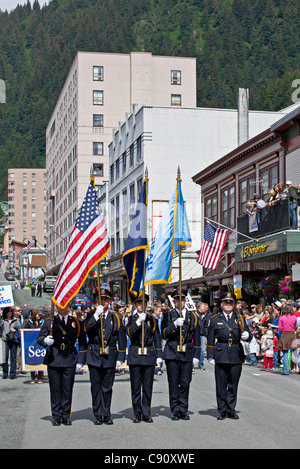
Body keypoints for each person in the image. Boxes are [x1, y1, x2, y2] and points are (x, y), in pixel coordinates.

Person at [37, 303, 87, 425]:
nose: (62, 308)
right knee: (55, 389)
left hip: (69, 357)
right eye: (60, 305)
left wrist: (81, 360)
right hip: (54, 357)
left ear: (69, 307)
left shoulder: (75, 322)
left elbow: (82, 343)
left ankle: (66, 415)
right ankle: (56, 416)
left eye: (65, 305)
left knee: (67, 389)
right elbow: (39, 338)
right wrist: (45, 341)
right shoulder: (50, 322)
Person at [84, 288, 126, 425]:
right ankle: (97, 414)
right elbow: (86, 329)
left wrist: (121, 357)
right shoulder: (91, 315)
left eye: (106, 299)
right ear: (97, 301)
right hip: (95, 352)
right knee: (96, 386)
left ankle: (106, 413)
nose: (103, 302)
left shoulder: (116, 317)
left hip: (110, 354)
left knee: (107, 386)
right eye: (100, 299)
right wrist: (96, 315)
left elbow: (121, 338)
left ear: (110, 301)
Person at [207, 292, 252, 420]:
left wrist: (247, 336)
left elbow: (249, 335)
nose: (228, 304)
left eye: (230, 302)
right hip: (221, 353)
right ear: (221, 304)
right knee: (221, 384)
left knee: (233, 383)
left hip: (236, 354)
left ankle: (231, 409)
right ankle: (221, 409)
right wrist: (210, 355)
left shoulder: (240, 319)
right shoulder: (215, 319)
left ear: (234, 304)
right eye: (226, 302)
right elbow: (210, 339)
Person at [161, 288, 201, 421]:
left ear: (185, 300)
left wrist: (196, 355)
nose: (180, 302)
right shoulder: (168, 315)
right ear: (174, 301)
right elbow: (164, 334)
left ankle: (183, 408)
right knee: (173, 382)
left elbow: (196, 336)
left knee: (185, 382)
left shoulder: (193, 316)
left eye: (182, 299)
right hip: (172, 351)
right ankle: (174, 409)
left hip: (187, 351)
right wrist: (173, 325)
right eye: (177, 299)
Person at [126, 295, 162, 423]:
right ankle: (137, 413)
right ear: (135, 305)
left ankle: (146, 413)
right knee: (135, 387)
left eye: (144, 303)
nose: (141, 306)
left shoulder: (152, 319)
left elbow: (157, 337)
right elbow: (129, 332)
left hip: (148, 354)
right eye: (139, 304)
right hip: (135, 353)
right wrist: (137, 322)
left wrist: (159, 355)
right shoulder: (131, 318)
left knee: (147, 386)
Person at [0, 307, 21, 379]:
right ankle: (5, 373)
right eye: (8, 312)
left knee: (13, 357)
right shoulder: (2, 320)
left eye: (11, 312)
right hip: (5, 340)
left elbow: (19, 329)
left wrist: (15, 331)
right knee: (5, 357)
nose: (10, 314)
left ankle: (12, 373)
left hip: (13, 340)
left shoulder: (16, 320)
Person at [278, 304, 297, 375]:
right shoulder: (294, 317)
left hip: (285, 334)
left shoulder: (282, 317)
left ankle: (286, 370)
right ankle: (297, 367)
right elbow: (295, 326)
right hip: (292, 334)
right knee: (295, 352)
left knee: (285, 353)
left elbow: (280, 328)